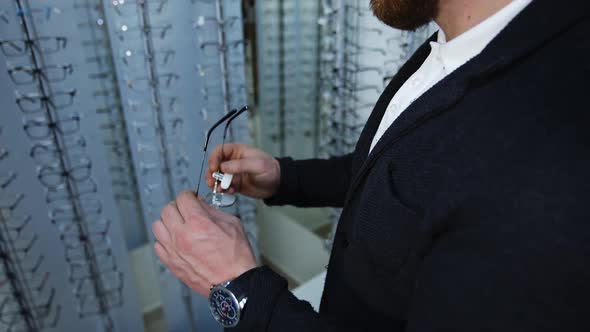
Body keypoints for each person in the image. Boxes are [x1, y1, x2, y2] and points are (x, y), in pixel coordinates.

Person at [151, 0, 590, 330]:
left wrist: (239, 289)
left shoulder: (550, 168)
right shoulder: (470, 41)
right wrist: (286, 177)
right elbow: (406, 176)